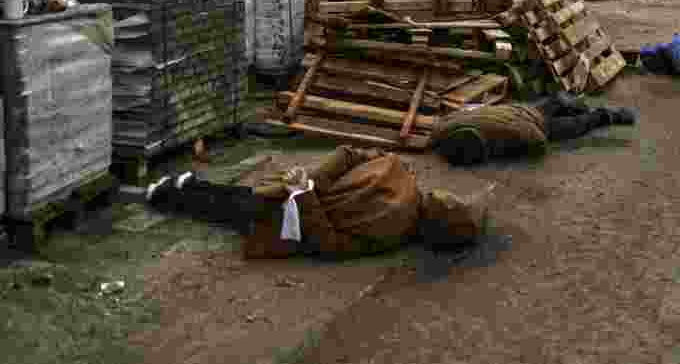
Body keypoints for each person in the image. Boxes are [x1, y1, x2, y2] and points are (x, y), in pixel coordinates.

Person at [146, 145, 494, 258]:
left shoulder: (401, 174)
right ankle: (179, 191)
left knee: (235, 204)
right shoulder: (393, 233)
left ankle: (173, 194)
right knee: (233, 205)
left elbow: (350, 154)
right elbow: (333, 245)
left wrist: (311, 184)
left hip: (289, 217)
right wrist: (309, 188)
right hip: (294, 210)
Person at [429, 92, 636, 166]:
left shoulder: (515, 132)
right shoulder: (445, 127)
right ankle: (566, 101)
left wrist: (509, 152)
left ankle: (607, 116)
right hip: (520, 107)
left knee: (579, 125)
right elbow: (434, 132)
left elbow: (539, 143)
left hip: (536, 122)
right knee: (553, 102)